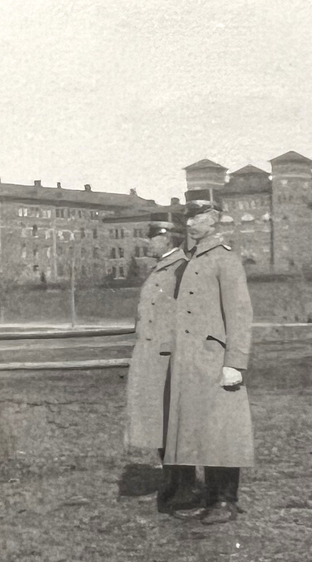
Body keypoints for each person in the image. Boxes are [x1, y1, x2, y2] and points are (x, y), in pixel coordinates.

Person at [162, 189, 255, 524]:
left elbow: (240, 314)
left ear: (214, 218)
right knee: (201, 431)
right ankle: (208, 497)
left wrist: (235, 362)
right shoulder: (190, 259)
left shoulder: (225, 259)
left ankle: (226, 501)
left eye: (198, 216)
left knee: (223, 432)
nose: (190, 223)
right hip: (190, 362)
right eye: (187, 216)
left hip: (215, 361)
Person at [124, 212, 198, 513]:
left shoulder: (182, 270)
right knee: (160, 425)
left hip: (171, 361)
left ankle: (185, 487)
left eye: (152, 236)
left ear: (167, 238)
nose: (147, 242)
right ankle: (172, 482)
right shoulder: (161, 270)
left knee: (176, 425)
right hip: (153, 361)